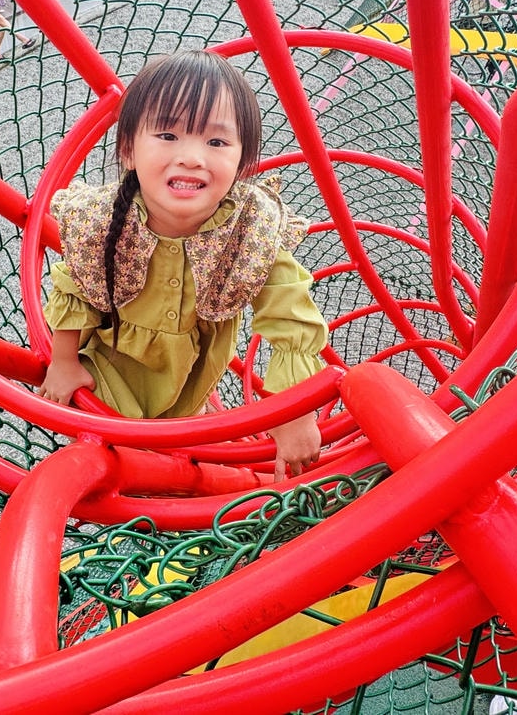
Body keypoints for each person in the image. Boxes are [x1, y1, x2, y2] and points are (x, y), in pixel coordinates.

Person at [38, 50, 329, 480]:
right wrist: (63, 361)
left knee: (181, 459)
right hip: (112, 371)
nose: (192, 157)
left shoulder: (251, 230)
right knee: (121, 467)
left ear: (242, 161)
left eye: (216, 142)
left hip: (191, 384)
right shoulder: (105, 219)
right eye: (168, 136)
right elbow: (74, 285)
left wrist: (294, 413)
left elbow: (292, 316)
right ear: (128, 149)